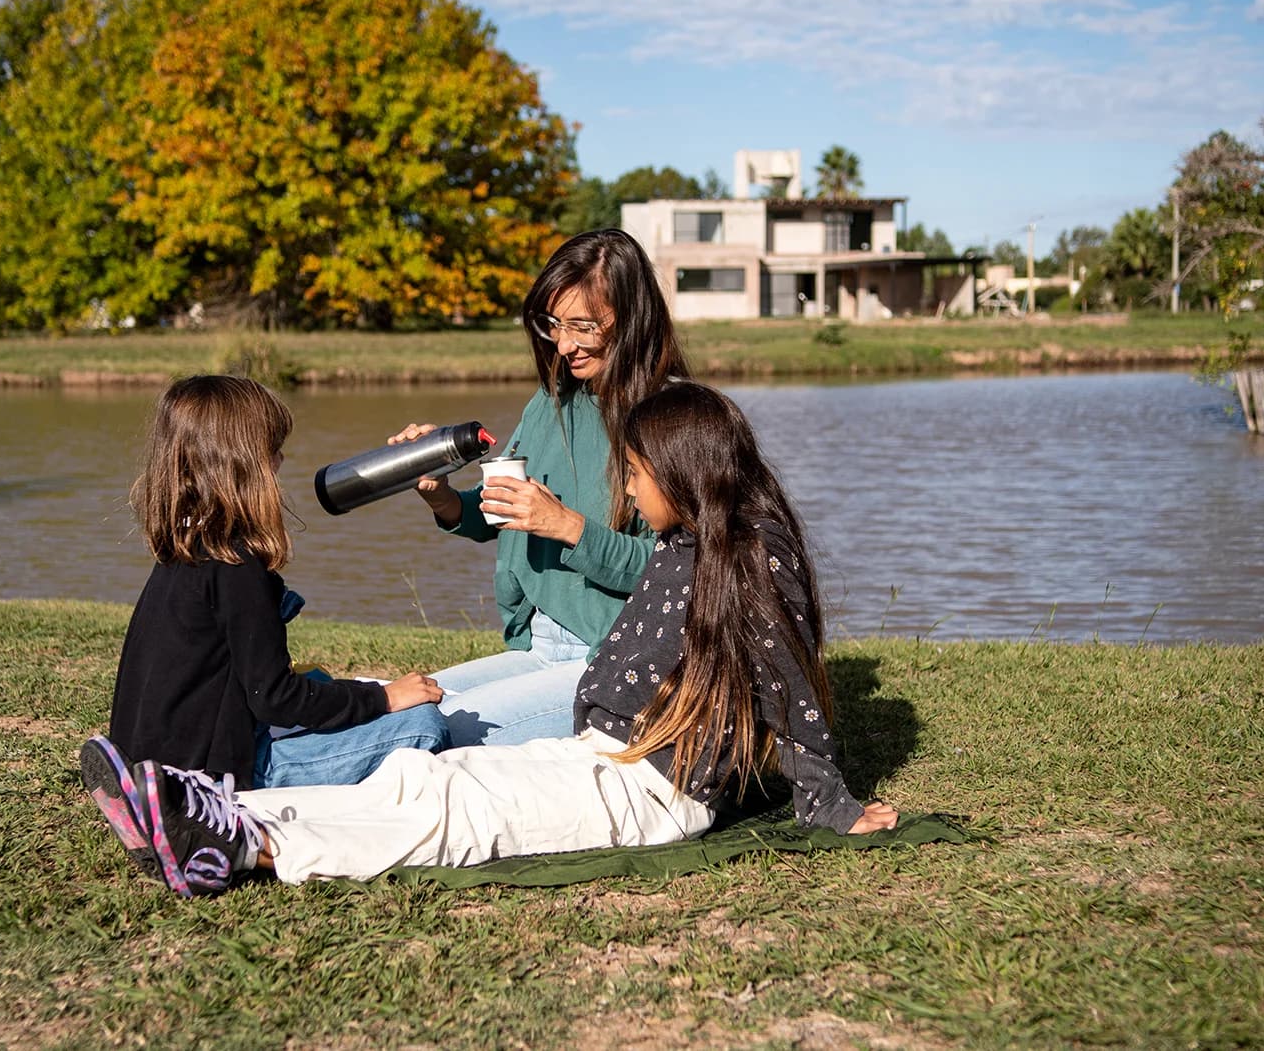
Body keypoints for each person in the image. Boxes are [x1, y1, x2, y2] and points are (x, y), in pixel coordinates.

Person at [82, 381, 898, 896]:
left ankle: (243, 840)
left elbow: (789, 686)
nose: (626, 485)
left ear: (689, 475)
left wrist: (827, 799)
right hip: (600, 756)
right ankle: (204, 811)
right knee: (420, 773)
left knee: (452, 809)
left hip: (645, 791)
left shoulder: (752, 555)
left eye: (638, 473)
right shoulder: (692, 543)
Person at [84, 376, 447, 873]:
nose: (280, 463)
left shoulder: (186, 547)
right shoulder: (238, 567)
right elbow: (274, 698)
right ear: (242, 465)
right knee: (422, 725)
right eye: (272, 451)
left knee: (329, 686)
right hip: (225, 770)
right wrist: (382, 699)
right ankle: (190, 809)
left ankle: (146, 794)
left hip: (153, 753)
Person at [387, 228, 691, 746]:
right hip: (537, 643)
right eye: (554, 325)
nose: (564, 345)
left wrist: (570, 528)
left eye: (583, 326)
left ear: (631, 319)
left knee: (427, 733)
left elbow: (692, 576)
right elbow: (504, 514)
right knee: (401, 712)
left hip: (613, 655)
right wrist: (441, 497)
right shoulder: (551, 401)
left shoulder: (674, 418)